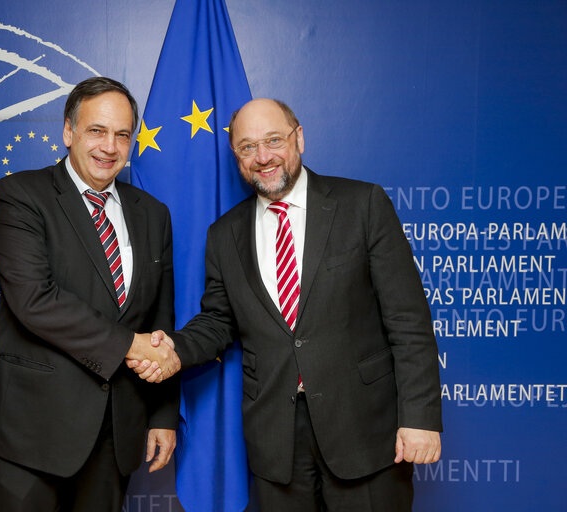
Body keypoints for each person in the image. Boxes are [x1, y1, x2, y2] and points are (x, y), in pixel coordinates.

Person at [130, 98, 442, 511]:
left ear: (299, 139)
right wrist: (171, 350)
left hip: (366, 432)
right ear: (236, 156)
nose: (263, 157)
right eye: (247, 147)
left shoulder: (362, 205)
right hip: (276, 442)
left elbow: (408, 321)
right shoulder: (225, 235)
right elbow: (219, 322)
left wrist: (419, 418)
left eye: (273, 140)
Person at [0, 77, 181, 512]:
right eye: (96, 131)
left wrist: (161, 415)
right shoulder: (22, 195)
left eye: (122, 134)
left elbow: (158, 316)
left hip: (115, 431)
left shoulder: (152, 214)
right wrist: (130, 346)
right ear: (68, 132)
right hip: (32, 432)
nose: (110, 146)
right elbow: (35, 301)